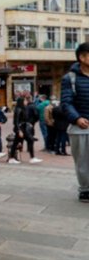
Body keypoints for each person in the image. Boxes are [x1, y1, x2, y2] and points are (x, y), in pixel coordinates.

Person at [60, 42, 89, 203]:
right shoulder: (70, 78)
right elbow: (66, 102)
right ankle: (85, 189)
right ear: (82, 57)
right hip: (81, 127)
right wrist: (77, 118)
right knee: (83, 161)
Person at [9, 96, 42, 164]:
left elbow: (24, 119)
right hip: (21, 128)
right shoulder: (18, 109)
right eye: (25, 101)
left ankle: (31, 157)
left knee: (19, 142)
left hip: (24, 127)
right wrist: (19, 130)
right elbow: (16, 121)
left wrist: (28, 123)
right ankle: (31, 157)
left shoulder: (23, 109)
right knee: (26, 141)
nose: (26, 102)